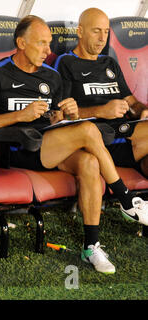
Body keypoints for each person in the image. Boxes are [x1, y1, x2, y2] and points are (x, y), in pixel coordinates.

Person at [0, 15, 148, 274]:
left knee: (89, 161)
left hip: (50, 144)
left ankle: (91, 246)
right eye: (41, 44)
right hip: (19, 148)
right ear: (21, 42)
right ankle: (127, 200)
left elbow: (58, 117)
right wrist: (19, 115)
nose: (48, 50)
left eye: (49, 43)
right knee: (87, 130)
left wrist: (68, 113)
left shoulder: (51, 77)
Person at [54, 8, 148, 225]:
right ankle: (128, 204)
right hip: (98, 141)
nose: (102, 38)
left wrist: (142, 110)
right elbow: (62, 115)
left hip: (126, 135)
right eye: (96, 31)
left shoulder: (110, 64)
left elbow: (131, 102)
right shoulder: (65, 63)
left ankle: (136, 207)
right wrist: (101, 111)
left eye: (106, 32)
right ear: (80, 31)